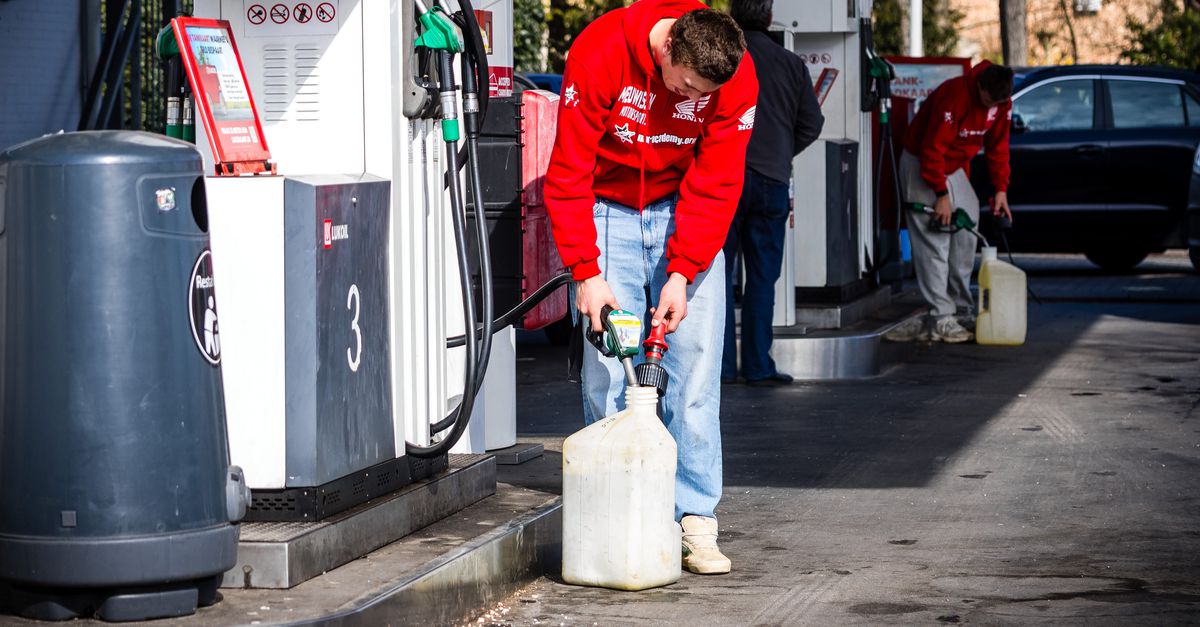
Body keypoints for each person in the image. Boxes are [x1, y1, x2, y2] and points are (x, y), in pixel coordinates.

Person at [543, 0, 757, 575]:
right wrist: (586, 271)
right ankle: (616, 509)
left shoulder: (733, 76)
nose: (692, 100)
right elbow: (567, 170)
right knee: (611, 366)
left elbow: (718, 179)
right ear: (665, 51)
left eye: (701, 94)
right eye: (685, 85)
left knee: (693, 363)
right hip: (605, 210)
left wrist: (685, 269)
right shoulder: (601, 49)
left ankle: (694, 519)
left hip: (681, 209)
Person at [721, 0, 824, 386]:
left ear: (732, 16)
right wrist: (782, 152)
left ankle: (722, 369)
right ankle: (759, 366)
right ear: (768, 17)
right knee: (762, 279)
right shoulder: (791, 64)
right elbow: (812, 123)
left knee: (716, 279)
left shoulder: (722, 57)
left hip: (724, 180)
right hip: (771, 183)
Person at [885, 61, 1015, 343]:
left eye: (996, 102)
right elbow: (932, 148)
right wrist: (941, 196)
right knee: (936, 235)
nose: (989, 106)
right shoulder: (953, 95)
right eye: (986, 99)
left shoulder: (1001, 103)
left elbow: (998, 147)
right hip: (923, 161)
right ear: (979, 85)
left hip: (953, 166)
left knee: (967, 226)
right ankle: (940, 315)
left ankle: (960, 306)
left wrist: (1001, 190)